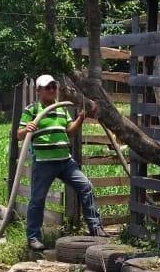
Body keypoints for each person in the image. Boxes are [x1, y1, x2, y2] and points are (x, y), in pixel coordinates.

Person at [17, 74, 107, 252]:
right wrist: (26, 129)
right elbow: (19, 135)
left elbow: (69, 132)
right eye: (47, 87)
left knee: (86, 186)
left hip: (65, 161)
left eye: (53, 87)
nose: (52, 90)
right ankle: (33, 237)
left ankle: (95, 227)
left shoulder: (61, 110)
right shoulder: (32, 110)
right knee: (37, 200)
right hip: (44, 163)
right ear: (39, 91)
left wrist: (80, 119)